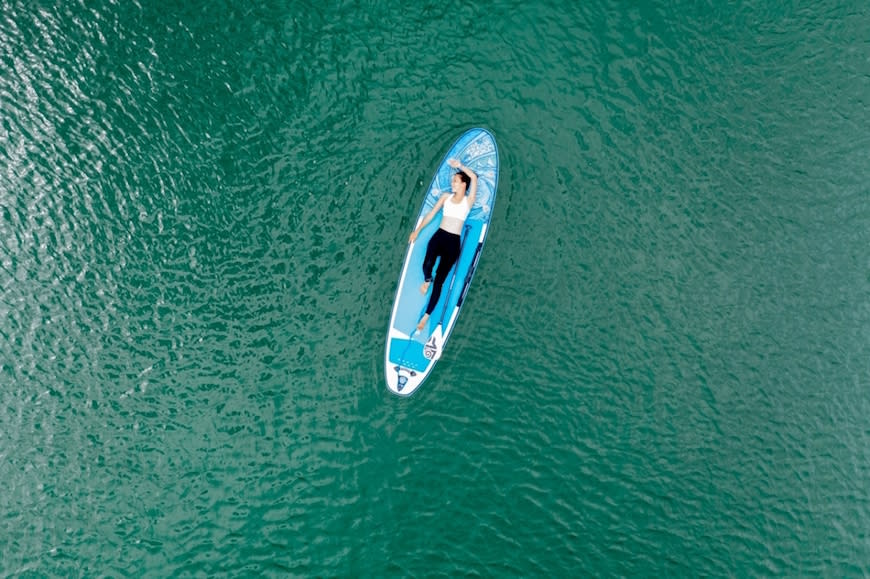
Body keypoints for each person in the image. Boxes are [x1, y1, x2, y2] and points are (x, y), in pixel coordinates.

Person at [408, 158, 478, 332]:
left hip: (453, 243)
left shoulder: (468, 201)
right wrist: (417, 230)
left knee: (440, 282)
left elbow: (474, 179)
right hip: (439, 236)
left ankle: (426, 316)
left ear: (463, 184)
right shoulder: (445, 197)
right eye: (452, 181)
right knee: (427, 264)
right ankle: (427, 279)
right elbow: (431, 214)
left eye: (455, 181)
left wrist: (460, 166)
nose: (452, 183)